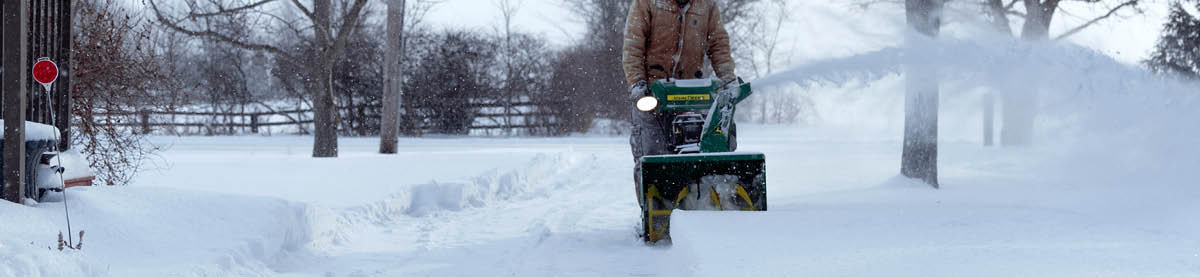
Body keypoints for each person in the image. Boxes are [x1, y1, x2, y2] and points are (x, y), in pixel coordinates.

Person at [622, 0, 738, 205]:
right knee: (651, 154)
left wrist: (728, 78)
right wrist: (638, 84)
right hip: (653, 93)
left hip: (692, 90)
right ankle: (655, 207)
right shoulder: (646, 3)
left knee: (715, 144)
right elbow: (633, 46)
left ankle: (709, 198)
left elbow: (718, 43)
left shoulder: (706, 5)